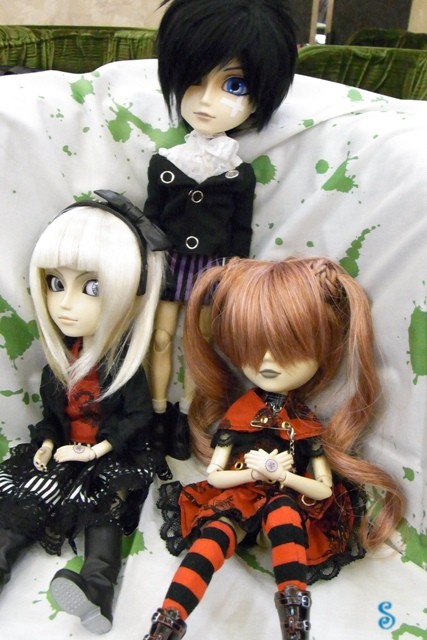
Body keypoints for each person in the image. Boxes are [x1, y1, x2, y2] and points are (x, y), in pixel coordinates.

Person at [143, 257, 405, 640]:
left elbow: (323, 489)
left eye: (287, 348)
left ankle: (295, 626)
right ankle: (166, 622)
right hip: (239, 493)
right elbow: (215, 476)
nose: (266, 361)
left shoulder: (306, 423)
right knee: (212, 537)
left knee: (284, 518)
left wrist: (283, 476)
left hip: (287, 497)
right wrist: (252, 473)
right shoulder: (240, 414)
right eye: (252, 348)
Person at [0, 191, 170, 634]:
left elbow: (137, 419)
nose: (65, 304)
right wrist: (47, 443)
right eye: (55, 284)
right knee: (25, 501)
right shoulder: (58, 366)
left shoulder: (123, 369)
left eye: (91, 287)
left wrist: (94, 452)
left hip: (109, 457)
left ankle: (97, 592)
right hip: (65, 453)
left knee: (103, 514)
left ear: (131, 297)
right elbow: (52, 417)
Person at [143, 0, 298, 459]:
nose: (207, 101)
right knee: (159, 338)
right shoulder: (165, 164)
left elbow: (240, 229)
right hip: (170, 262)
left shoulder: (238, 173)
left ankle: (191, 417)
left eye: (233, 85)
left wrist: (234, 270)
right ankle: (157, 414)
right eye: (194, 80)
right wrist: (145, 265)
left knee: (201, 346)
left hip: (212, 269)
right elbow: (152, 218)